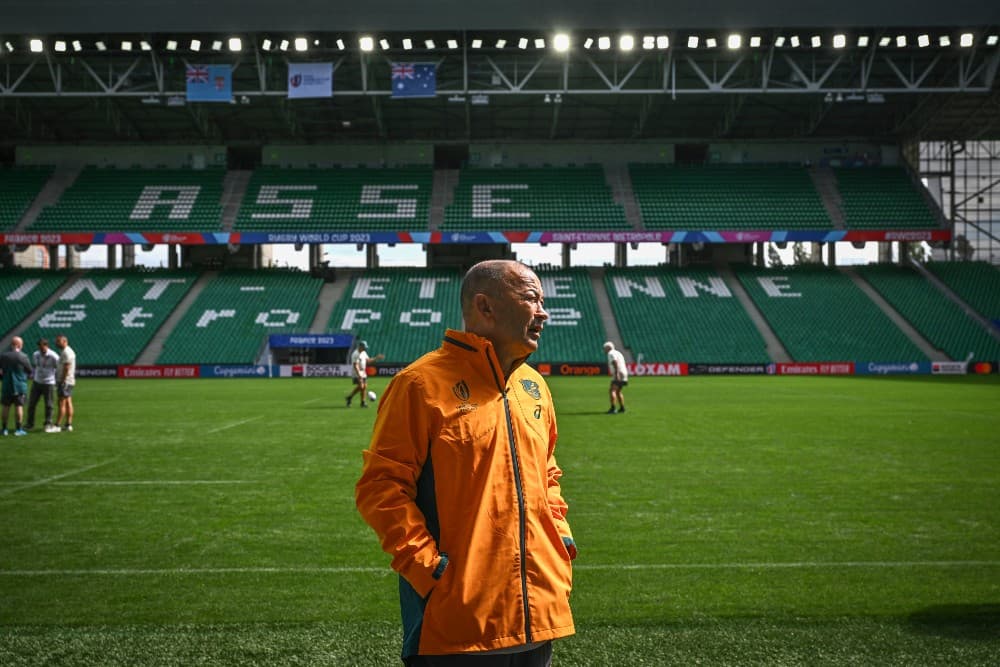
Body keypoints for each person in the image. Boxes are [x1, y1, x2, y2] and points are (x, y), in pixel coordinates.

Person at [356, 259, 576, 666]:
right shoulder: (419, 385)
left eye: (542, 300)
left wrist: (559, 540)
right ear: (485, 306)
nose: (543, 312)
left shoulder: (534, 387)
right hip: (457, 627)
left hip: (539, 614)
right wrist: (430, 572)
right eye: (531, 298)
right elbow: (381, 488)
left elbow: (548, 472)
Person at [26, 338, 60, 433]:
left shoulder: (54, 356)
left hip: (49, 383)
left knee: (49, 405)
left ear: (47, 346)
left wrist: (57, 381)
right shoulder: (35, 354)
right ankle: (29, 424)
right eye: (40, 348)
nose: (41, 351)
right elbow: (37, 366)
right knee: (31, 404)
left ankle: (48, 423)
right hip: (37, 382)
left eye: (43, 348)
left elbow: (59, 368)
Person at [1, 336, 33, 437]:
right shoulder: (23, 356)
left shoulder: (3, 356)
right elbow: (30, 370)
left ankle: (4, 429)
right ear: (19, 345)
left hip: (7, 384)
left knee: (6, 407)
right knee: (19, 407)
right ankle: (18, 429)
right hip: (19, 385)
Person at [345, 340, 383, 408]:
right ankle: (352, 398)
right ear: (360, 346)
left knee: (364, 387)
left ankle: (361, 402)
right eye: (364, 347)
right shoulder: (355, 354)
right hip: (357, 372)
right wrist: (359, 374)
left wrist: (376, 358)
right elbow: (355, 365)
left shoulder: (363, 352)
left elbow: (368, 361)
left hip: (363, 372)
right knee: (361, 386)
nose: (365, 348)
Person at [54, 334, 76, 432]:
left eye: (58, 341)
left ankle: (57, 425)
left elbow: (66, 367)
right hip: (68, 381)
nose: (56, 343)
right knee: (68, 402)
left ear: (64, 341)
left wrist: (62, 380)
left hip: (65, 381)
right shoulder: (66, 351)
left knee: (61, 403)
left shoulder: (66, 352)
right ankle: (68, 424)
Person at [603, 341, 628, 414]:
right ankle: (622, 408)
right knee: (618, 391)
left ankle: (613, 408)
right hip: (624, 373)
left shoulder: (610, 353)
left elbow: (615, 362)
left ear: (608, 348)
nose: (604, 350)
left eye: (604, 349)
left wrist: (616, 374)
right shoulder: (618, 353)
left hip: (618, 373)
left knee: (612, 390)